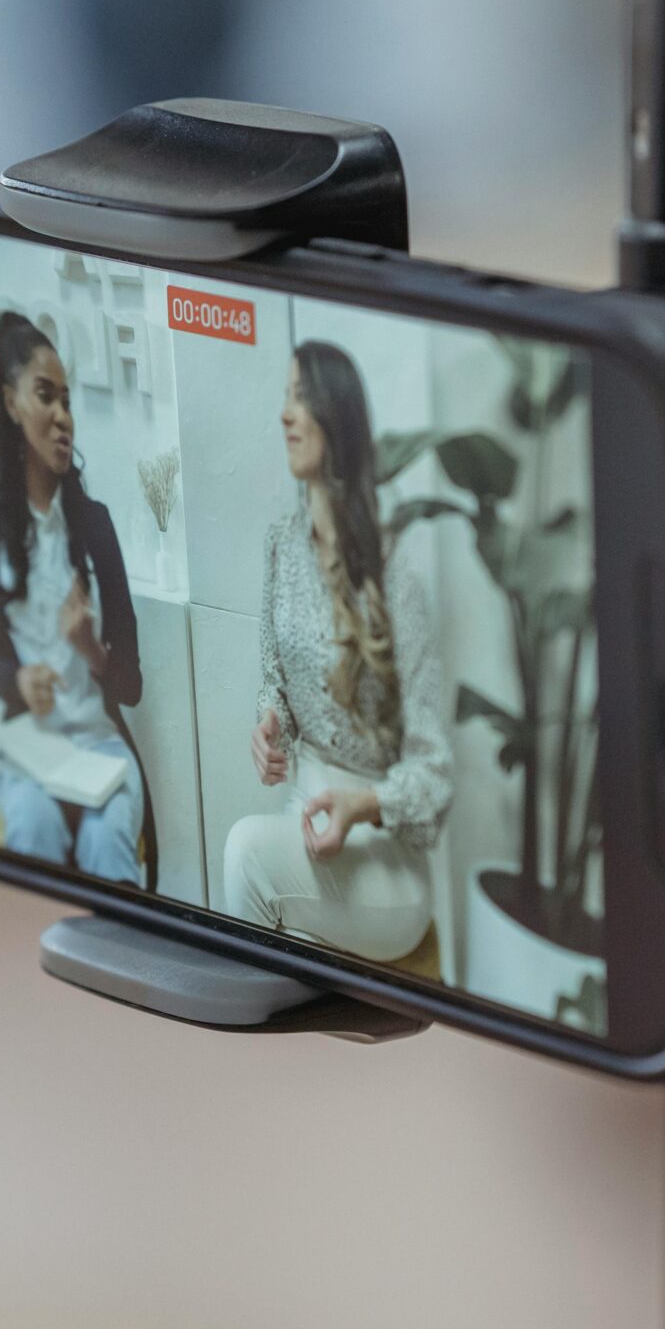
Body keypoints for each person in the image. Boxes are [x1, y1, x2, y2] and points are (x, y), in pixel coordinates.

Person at [223, 341, 449, 961]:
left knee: (245, 854)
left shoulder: (394, 571)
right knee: (279, 926)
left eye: (302, 397)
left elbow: (435, 775)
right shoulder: (281, 546)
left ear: (336, 416)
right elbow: (276, 678)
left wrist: (365, 804)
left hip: (384, 860)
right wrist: (271, 727)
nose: (285, 415)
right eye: (285, 398)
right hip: (310, 822)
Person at [0, 312, 148, 885]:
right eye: (45, 397)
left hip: (100, 745)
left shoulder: (95, 525)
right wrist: (17, 682)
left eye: (68, 402)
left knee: (106, 839)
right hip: (32, 749)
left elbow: (132, 685)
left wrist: (92, 651)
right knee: (32, 829)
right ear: (11, 404)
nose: (63, 418)